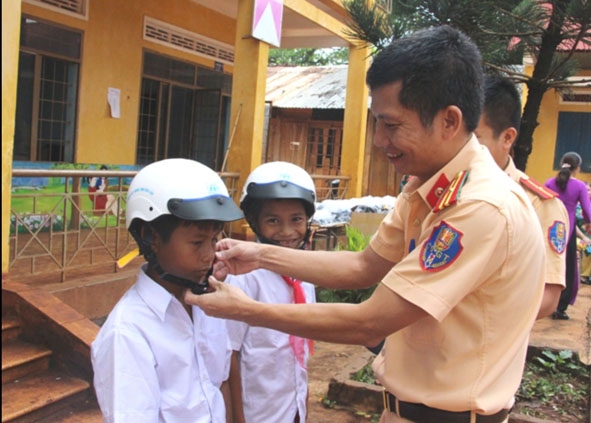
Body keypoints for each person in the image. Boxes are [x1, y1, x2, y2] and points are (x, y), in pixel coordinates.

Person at [185, 25, 545, 423]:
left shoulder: (480, 207)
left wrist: (247, 310)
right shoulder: (425, 186)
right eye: (377, 123)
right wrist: (260, 254)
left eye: (391, 126)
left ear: (449, 121)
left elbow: (370, 321)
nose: (378, 140)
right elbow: (364, 266)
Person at [91, 158, 243, 423]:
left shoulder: (208, 305)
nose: (210, 255)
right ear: (151, 236)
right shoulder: (128, 334)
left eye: (214, 239)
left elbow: (219, 384)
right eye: (197, 242)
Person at [226, 161, 316, 423]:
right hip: (259, 412)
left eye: (296, 219)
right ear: (254, 222)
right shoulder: (243, 277)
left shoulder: (306, 273)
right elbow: (229, 357)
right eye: (273, 220)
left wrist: (303, 405)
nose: (287, 232)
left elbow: (301, 351)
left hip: (292, 407)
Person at [474, 75, 569, 319]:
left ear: (507, 138)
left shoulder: (539, 205)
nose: (463, 150)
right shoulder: (443, 191)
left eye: (474, 139)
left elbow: (548, 299)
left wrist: (468, 322)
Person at [544, 152, 591, 319]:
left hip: (550, 230)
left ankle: (544, 303)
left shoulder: (549, 183)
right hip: (568, 231)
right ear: (577, 168)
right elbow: (587, 210)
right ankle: (560, 307)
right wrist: (588, 223)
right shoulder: (579, 187)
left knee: (548, 265)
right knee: (568, 269)